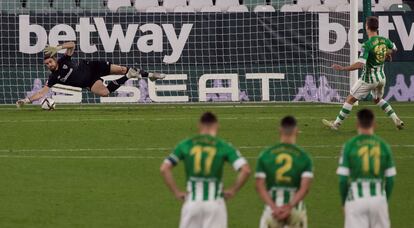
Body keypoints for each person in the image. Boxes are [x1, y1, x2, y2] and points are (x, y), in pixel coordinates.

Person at [160, 112, 251, 228]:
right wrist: (233, 190)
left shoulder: (185, 144)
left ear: (199, 125)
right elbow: (246, 170)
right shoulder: (224, 146)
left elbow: (164, 168)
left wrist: (176, 192)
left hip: (192, 202)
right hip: (215, 203)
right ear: (217, 125)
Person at [16, 42, 165, 107]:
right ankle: (129, 76)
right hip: (89, 83)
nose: (49, 65)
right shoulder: (53, 78)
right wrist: (27, 100)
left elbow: (72, 44)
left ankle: (150, 74)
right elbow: (42, 92)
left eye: (50, 62)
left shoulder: (64, 59)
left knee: (121, 69)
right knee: (105, 93)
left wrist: (57, 47)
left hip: (94, 67)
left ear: (54, 59)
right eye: (47, 64)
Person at [322, 16, 404, 130]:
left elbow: (360, 65)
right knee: (377, 99)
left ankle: (336, 124)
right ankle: (396, 119)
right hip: (381, 78)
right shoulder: (385, 40)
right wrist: (387, 54)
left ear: (367, 27)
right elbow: (394, 49)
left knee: (350, 99)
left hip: (368, 79)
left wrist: (342, 68)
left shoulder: (367, 45)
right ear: (377, 27)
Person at [337, 109, 396, 228]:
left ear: (357, 124)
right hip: (378, 199)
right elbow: (390, 179)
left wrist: (344, 202)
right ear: (374, 124)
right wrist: (384, 200)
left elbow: (342, 179)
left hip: (356, 199)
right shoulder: (384, 146)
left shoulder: (349, 145)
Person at [255, 116, 313, 228]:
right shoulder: (304, 157)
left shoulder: (266, 155)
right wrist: (290, 207)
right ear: (296, 131)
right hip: (296, 210)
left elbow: (259, 185)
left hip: (272, 211)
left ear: (279, 130)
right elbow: (305, 188)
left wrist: (274, 207)